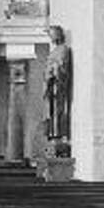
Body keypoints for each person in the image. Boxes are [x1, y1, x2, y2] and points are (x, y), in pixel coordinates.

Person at [43, 25, 72, 157]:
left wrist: (53, 70)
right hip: (50, 84)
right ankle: (52, 135)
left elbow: (61, 66)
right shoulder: (55, 50)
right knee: (50, 111)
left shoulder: (63, 49)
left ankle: (57, 136)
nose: (51, 38)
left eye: (52, 35)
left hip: (57, 84)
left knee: (56, 110)